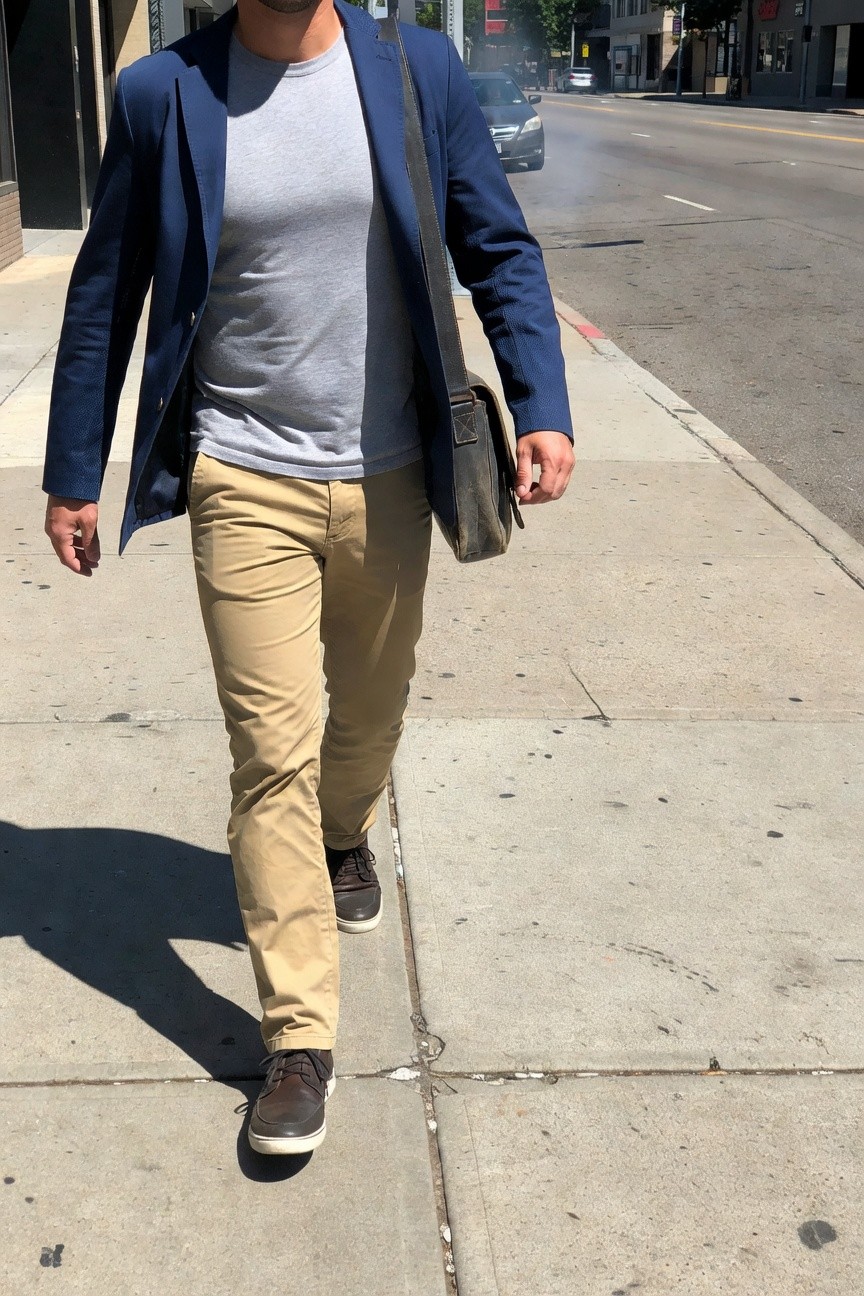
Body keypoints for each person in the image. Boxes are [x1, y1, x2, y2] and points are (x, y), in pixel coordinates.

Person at [42, 0, 574, 1154]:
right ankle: (300, 1039)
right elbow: (105, 298)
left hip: (391, 472)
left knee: (369, 714)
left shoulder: (416, 70)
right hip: (243, 476)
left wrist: (542, 399)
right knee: (269, 750)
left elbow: (496, 243)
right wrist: (76, 468)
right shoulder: (162, 94)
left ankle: (345, 835)